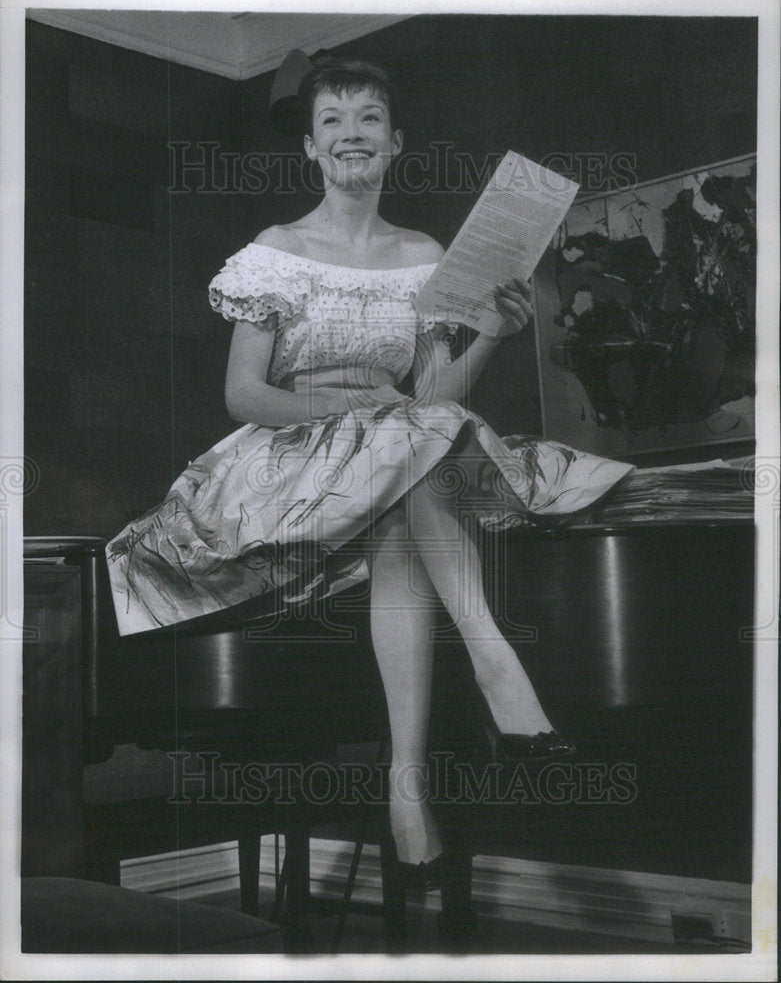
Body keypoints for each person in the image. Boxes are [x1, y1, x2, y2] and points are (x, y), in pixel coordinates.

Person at [106, 59, 632, 878]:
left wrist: (491, 332)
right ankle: (496, 665)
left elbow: (434, 398)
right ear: (312, 150)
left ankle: (406, 783)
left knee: (410, 469)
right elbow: (244, 395)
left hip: (394, 454)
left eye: (368, 119)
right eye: (332, 121)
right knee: (405, 447)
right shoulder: (274, 253)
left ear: (394, 144)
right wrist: (358, 417)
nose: (351, 133)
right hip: (285, 459)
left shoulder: (424, 257)